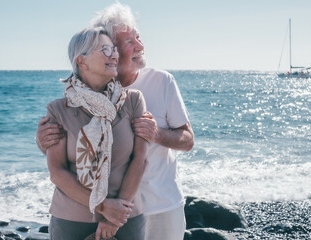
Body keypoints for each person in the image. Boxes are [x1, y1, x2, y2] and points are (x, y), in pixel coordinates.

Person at [37, 3, 194, 240]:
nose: (140, 46)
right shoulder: (78, 98)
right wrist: (43, 142)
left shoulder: (156, 85)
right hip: (100, 209)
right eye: (128, 42)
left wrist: (157, 134)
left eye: (138, 37)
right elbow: (66, 155)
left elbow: (187, 140)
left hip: (159, 203)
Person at [45, 26, 148, 240]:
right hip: (71, 221)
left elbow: (140, 160)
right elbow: (57, 171)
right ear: (81, 61)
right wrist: (102, 207)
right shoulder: (58, 110)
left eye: (114, 49)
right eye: (105, 50)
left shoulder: (132, 101)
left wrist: (114, 217)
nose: (114, 55)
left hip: (126, 219)